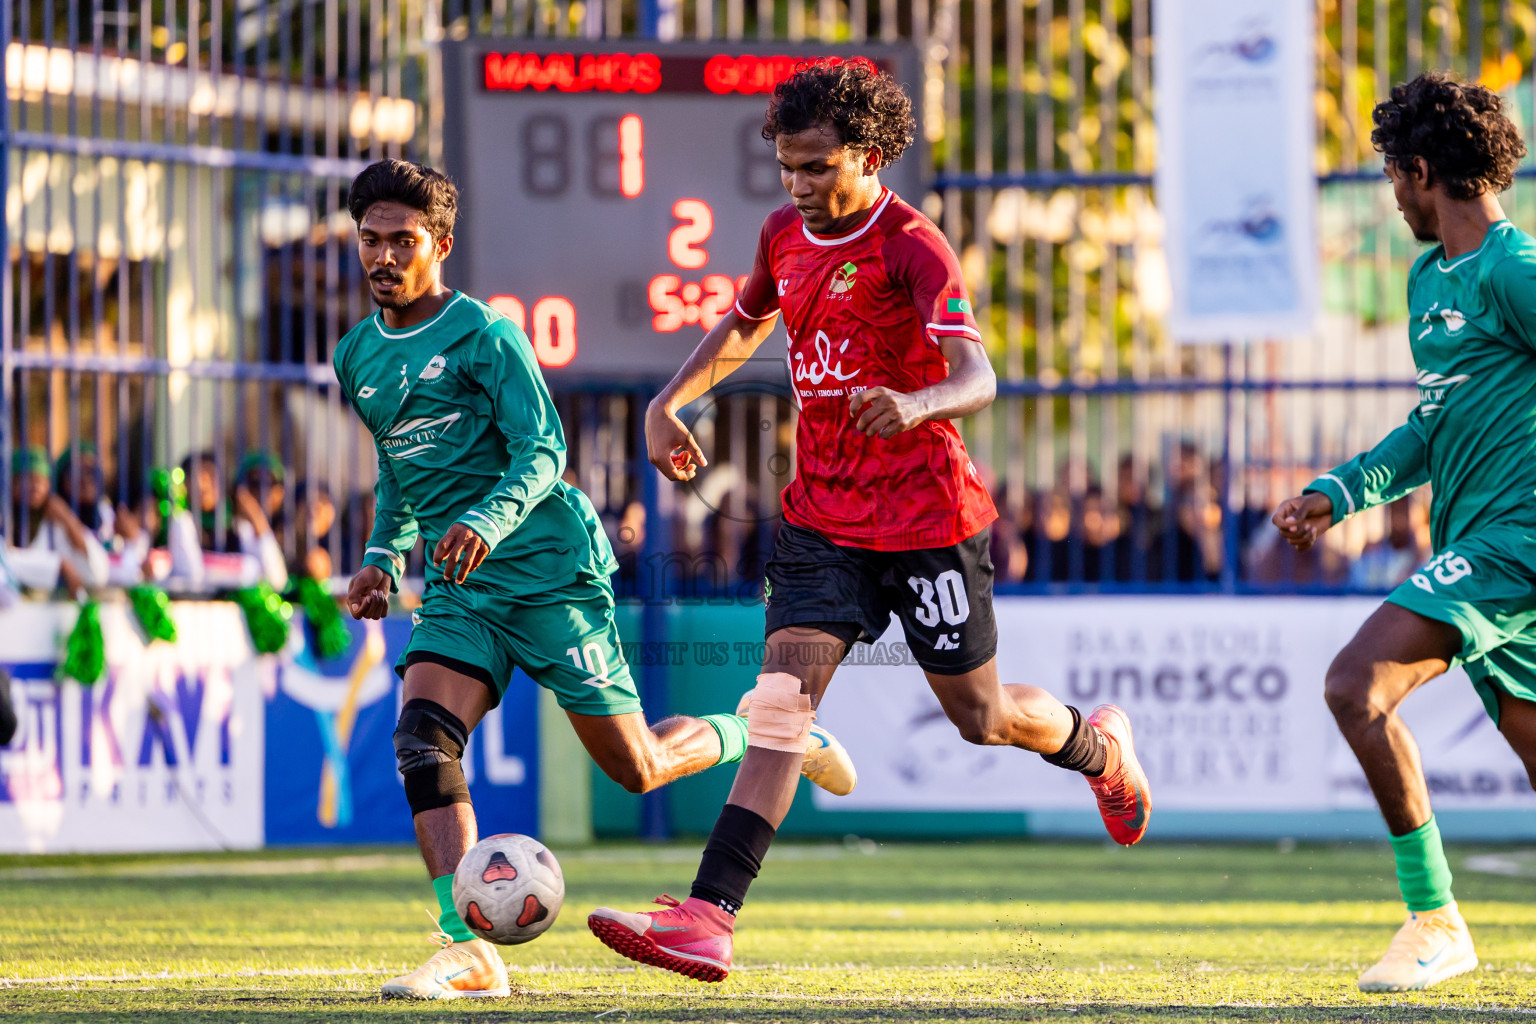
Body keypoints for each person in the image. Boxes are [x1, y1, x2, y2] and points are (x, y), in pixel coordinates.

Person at [587, 59, 1151, 983]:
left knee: (980, 718)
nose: (800, 187)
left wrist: (919, 402)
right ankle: (708, 916)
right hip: (823, 518)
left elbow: (979, 376)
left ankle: (1101, 748)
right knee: (779, 705)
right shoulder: (783, 234)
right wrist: (669, 401)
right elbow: (744, 322)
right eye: (788, 168)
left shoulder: (914, 246)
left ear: (872, 156)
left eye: (818, 168)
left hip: (930, 520)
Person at [333, 158, 855, 1000]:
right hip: (464, 593)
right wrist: (384, 558)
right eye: (370, 240)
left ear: (442, 246)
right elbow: (399, 470)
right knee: (421, 740)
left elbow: (544, 451)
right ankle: (466, 945)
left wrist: (483, 521)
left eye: (403, 240)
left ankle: (770, 734)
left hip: (549, 577)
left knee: (638, 766)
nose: (383, 256)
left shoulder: (486, 338)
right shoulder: (355, 354)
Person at [1272, 72, 1535, 993]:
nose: (1390, 195)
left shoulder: (1514, 271)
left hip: (1516, 547)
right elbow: (1432, 426)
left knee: (1355, 684)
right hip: (1479, 547)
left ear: (1420, 171)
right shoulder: (1433, 278)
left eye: (1390, 175)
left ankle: (1435, 918)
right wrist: (1335, 494)